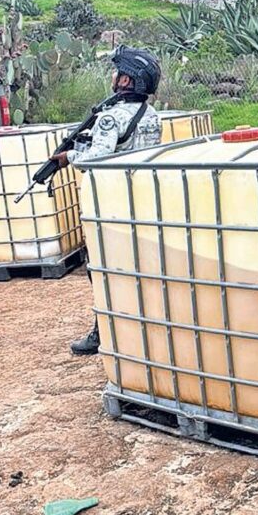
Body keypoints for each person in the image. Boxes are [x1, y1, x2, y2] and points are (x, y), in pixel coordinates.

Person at [48, 46, 163, 356]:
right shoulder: (151, 115)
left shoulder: (110, 117)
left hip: (112, 203)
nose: (114, 77)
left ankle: (105, 331)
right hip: (143, 200)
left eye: (118, 73)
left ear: (126, 80)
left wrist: (69, 156)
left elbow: (95, 159)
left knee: (101, 269)